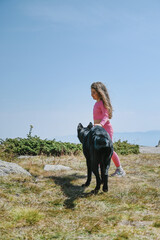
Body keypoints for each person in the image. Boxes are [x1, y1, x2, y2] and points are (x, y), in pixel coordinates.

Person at [91, 82, 126, 177]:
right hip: (98, 129)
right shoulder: (96, 103)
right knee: (98, 149)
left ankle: (120, 170)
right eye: (91, 92)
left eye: (94, 92)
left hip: (106, 129)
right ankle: (97, 169)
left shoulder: (102, 103)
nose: (92, 94)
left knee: (109, 150)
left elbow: (106, 116)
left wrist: (100, 125)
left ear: (100, 92)